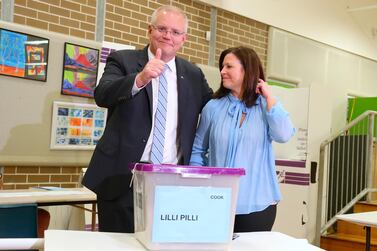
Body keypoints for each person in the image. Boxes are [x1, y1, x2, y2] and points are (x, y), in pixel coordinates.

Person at [82, 5, 213, 233]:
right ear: (149, 30)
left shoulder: (193, 74)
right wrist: (140, 78)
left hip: (172, 182)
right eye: (162, 28)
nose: (167, 36)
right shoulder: (123, 60)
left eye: (175, 32)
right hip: (123, 178)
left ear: (184, 39)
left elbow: (213, 107)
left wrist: (248, 95)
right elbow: (102, 95)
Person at [189, 46, 295, 232]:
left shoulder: (266, 105)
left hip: (259, 205)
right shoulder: (212, 107)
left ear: (247, 70)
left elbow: (284, 135)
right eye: (222, 66)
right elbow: (197, 150)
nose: (222, 71)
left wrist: (269, 97)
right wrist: (200, 185)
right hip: (216, 203)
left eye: (229, 66)